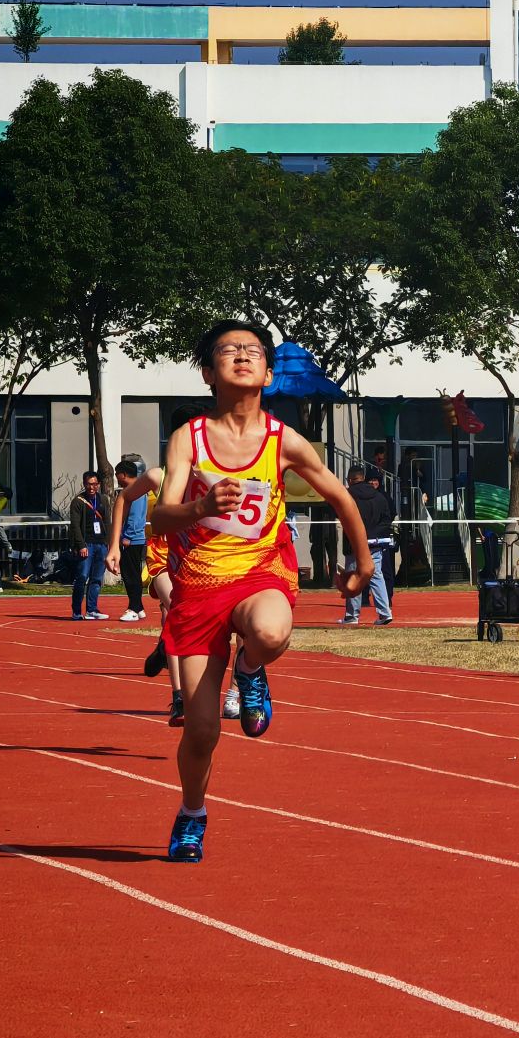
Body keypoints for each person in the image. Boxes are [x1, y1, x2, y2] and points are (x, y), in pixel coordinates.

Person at [153, 320, 370, 862]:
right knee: (201, 730)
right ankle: (192, 813)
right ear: (208, 372)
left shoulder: (284, 441)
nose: (242, 356)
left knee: (271, 631)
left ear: (269, 373)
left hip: (260, 574)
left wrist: (363, 563)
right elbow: (159, 519)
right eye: (228, 350)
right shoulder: (189, 438)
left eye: (253, 351)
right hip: (199, 588)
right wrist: (201, 508)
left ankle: (250, 670)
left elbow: (341, 497)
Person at [107, 459, 189, 724]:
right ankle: (179, 698)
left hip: (196, 557)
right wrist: (114, 546)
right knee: (177, 609)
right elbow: (123, 498)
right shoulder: (158, 477)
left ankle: (164, 646)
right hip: (162, 555)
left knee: (180, 617)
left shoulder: (214, 474)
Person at [343, 463, 398, 626]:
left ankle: (352, 615)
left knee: (354, 575)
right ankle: (384, 612)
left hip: (354, 542)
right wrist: (375, 535)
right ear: (363, 478)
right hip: (375, 542)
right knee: (376, 575)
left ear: (351, 479)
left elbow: (340, 512)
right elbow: (387, 519)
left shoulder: (348, 494)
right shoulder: (380, 496)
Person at [112, 456, 151, 621]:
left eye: (117, 474)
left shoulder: (135, 491)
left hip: (132, 539)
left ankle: (133, 608)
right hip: (135, 538)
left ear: (124, 474)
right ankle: (139, 607)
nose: (116, 478)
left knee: (130, 576)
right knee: (133, 574)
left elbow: (135, 516)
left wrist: (127, 536)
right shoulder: (140, 489)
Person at [67, 471, 108, 621]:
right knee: (82, 576)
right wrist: (81, 545)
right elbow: (75, 526)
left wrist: (108, 543)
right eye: (89, 484)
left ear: (98, 485)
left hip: (101, 544)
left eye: (95, 484)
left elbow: (107, 522)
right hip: (87, 544)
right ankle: (76, 610)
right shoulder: (78, 501)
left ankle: (92, 609)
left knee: (96, 578)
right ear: (84, 484)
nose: (92, 487)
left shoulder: (103, 499)